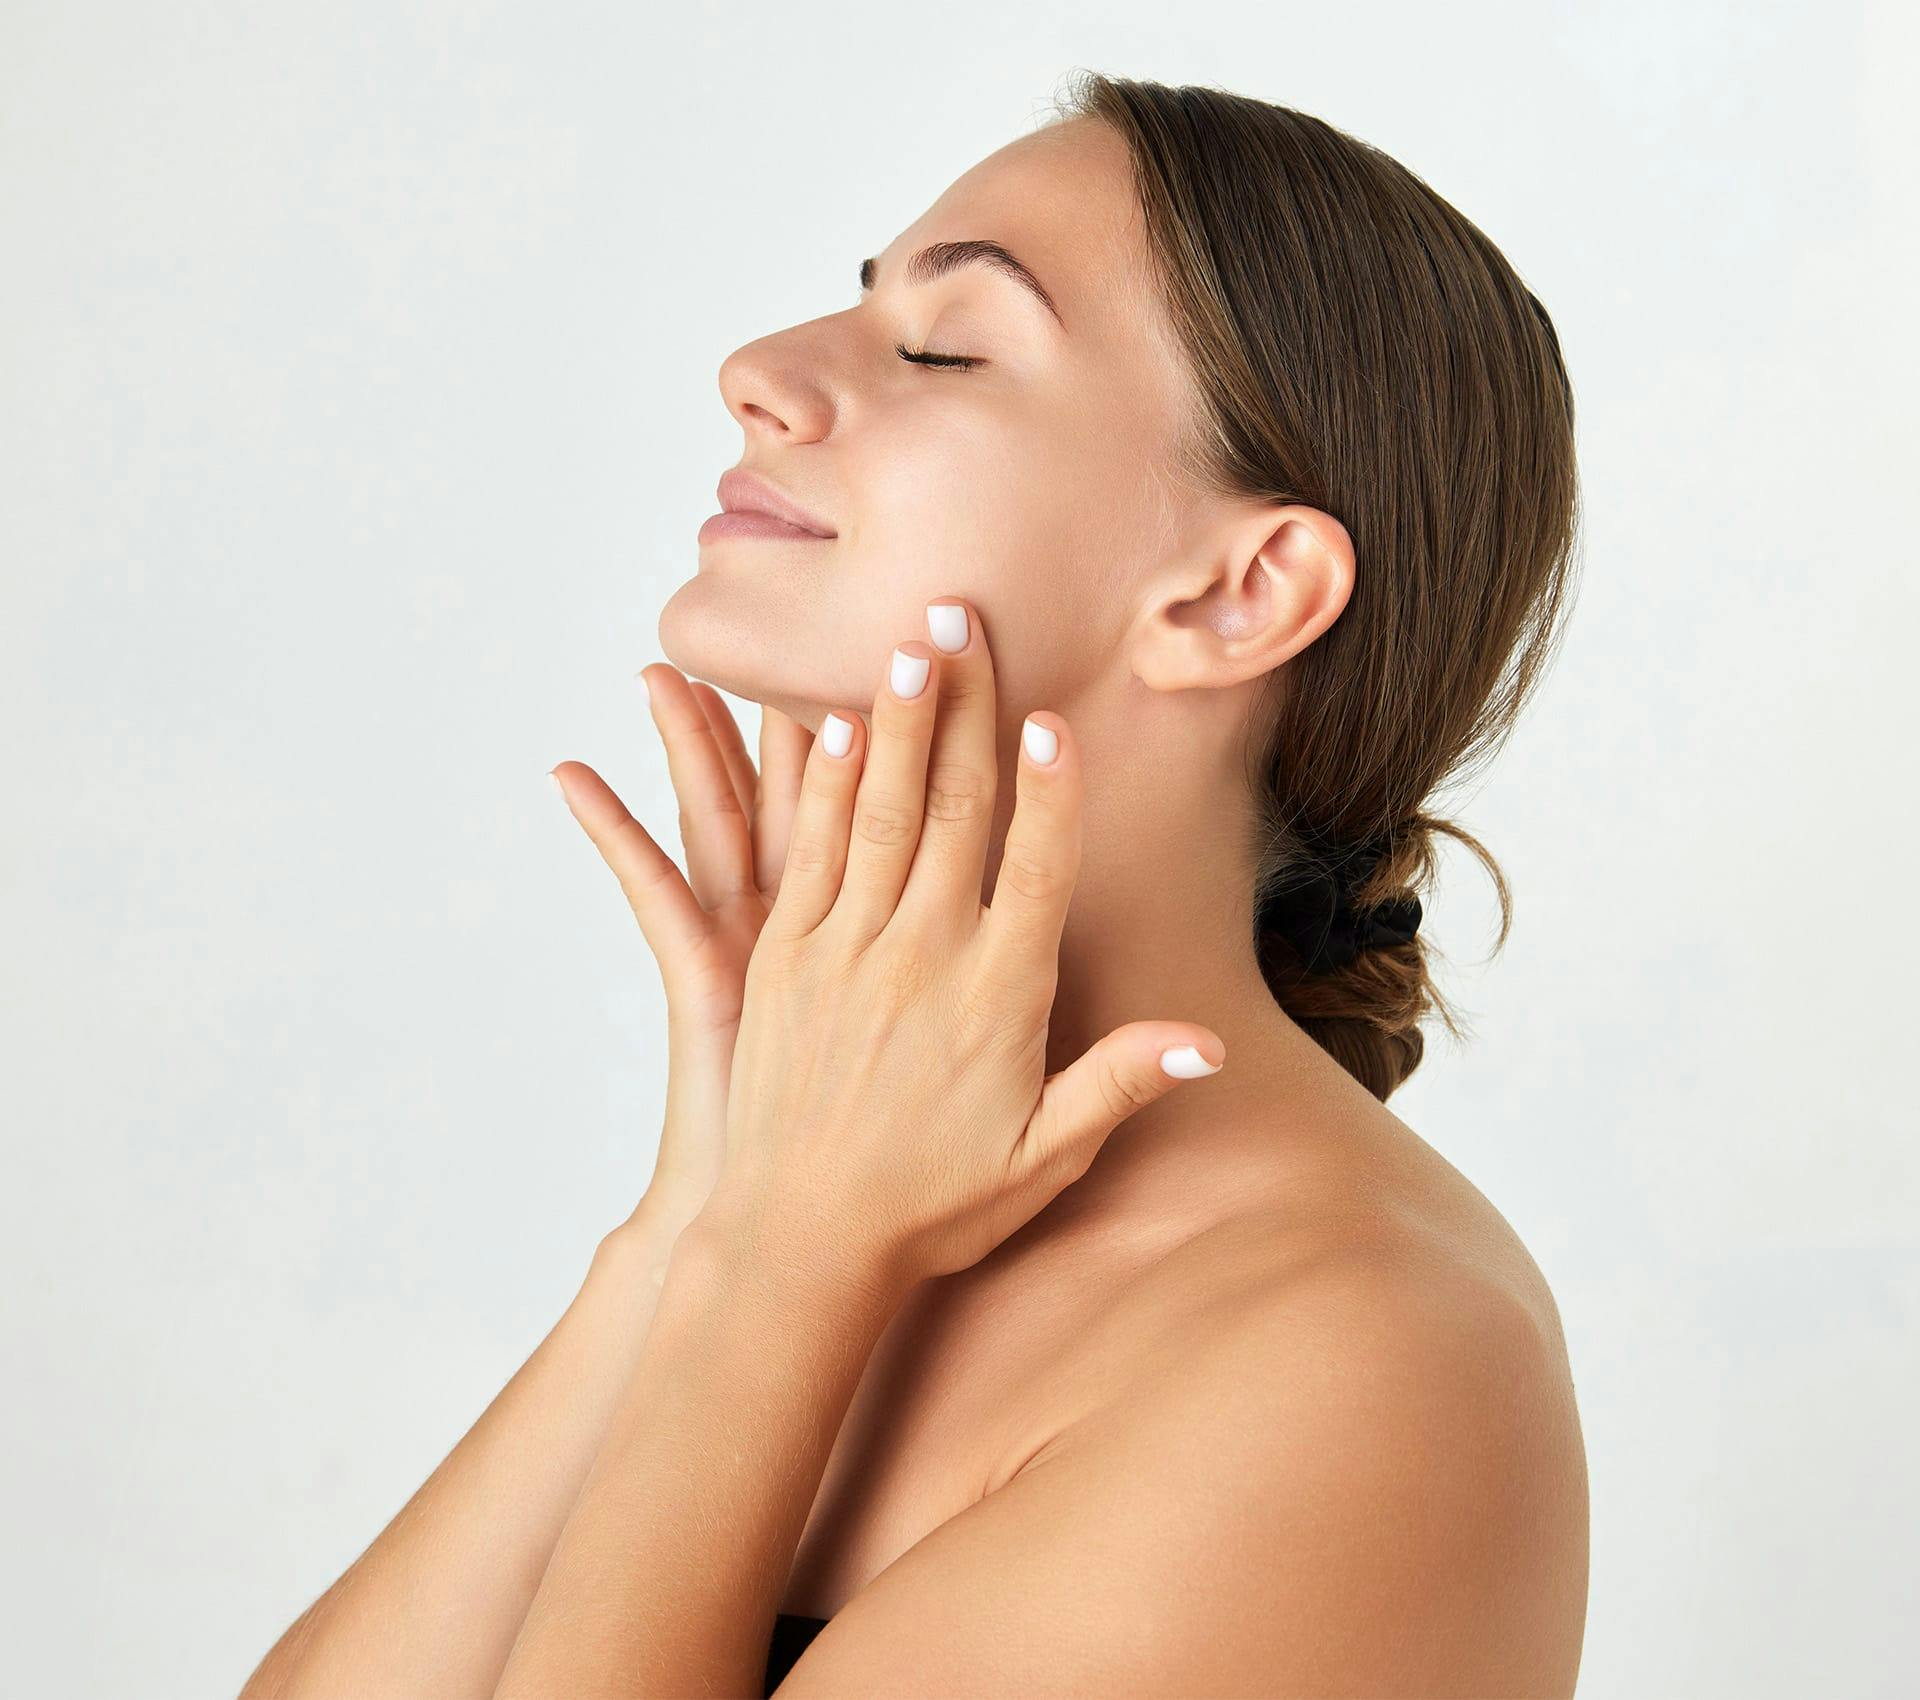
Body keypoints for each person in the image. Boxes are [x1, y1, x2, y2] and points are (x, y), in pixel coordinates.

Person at [240, 71, 1589, 1699]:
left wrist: (774, 1270)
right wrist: (701, 1212)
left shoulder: (1368, 1356)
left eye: (947, 347)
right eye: (863, 299)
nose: (757, 371)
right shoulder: (807, 1186)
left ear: (1239, 592)